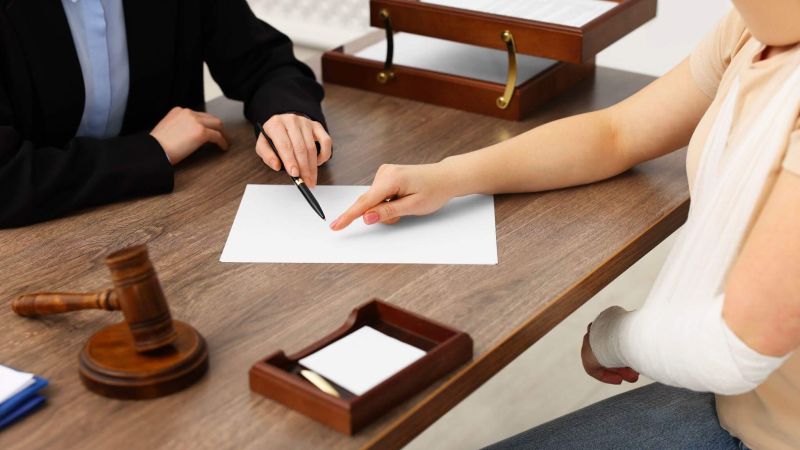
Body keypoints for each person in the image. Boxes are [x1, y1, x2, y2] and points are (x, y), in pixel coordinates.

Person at [330, 0, 800, 448]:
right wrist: (448, 176)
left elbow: (734, 348)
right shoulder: (752, 28)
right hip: (739, 406)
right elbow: (618, 132)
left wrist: (612, 338)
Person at [0, 0, 332, 228]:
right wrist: (150, 150)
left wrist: (286, 112)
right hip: (35, 248)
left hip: (174, 220)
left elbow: (264, 61)